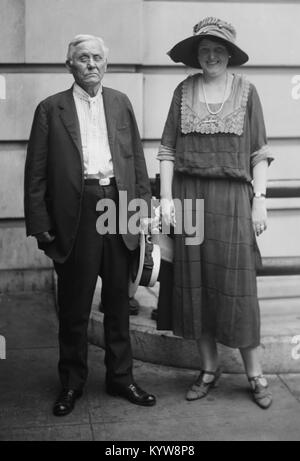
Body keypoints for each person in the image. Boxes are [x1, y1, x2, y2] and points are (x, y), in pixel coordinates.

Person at [24, 34, 156, 416]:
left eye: (98, 58)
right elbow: (35, 173)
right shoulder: (51, 109)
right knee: (75, 305)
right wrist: (40, 222)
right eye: (83, 58)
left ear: (106, 64)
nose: (92, 64)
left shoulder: (120, 103)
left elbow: (136, 161)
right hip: (77, 210)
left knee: (118, 300)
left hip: (118, 204)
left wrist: (142, 210)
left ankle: (121, 378)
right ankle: (71, 384)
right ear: (70, 65)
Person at [158, 17, 273, 409]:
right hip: (188, 197)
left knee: (239, 287)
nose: (211, 56)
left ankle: (255, 373)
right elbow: (168, 150)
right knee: (196, 284)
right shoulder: (183, 90)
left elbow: (259, 151)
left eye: (217, 50)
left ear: (229, 54)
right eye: (204, 50)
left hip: (233, 198)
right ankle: (208, 369)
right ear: (197, 55)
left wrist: (260, 199)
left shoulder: (247, 91)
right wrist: (165, 200)